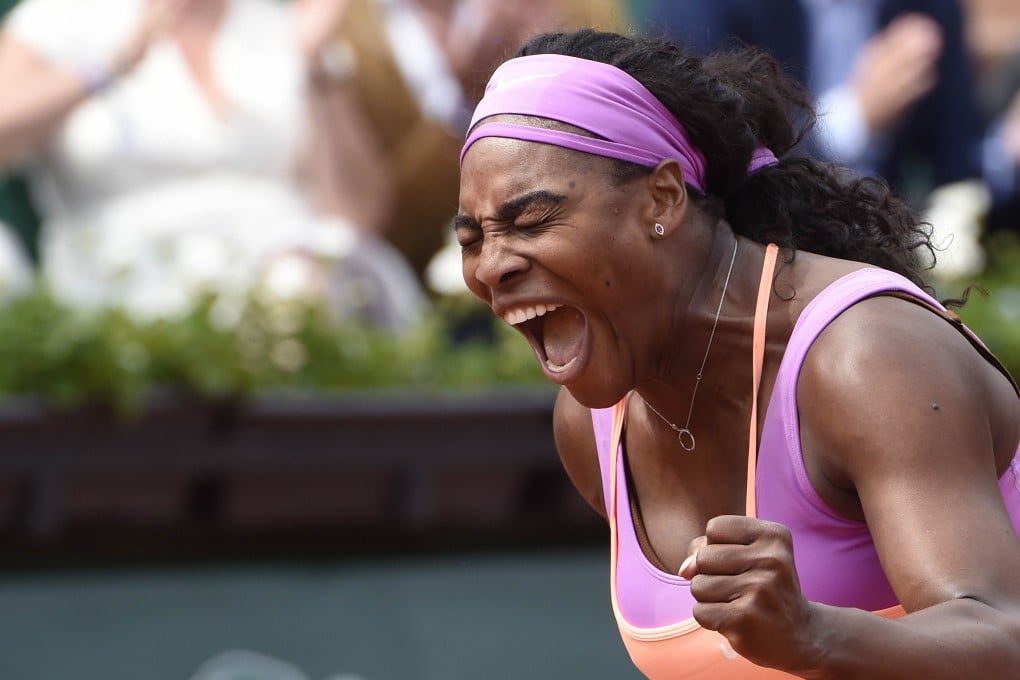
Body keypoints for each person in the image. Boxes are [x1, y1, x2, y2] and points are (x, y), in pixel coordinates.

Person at [456, 29, 1020, 678]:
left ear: (662, 199)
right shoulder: (590, 426)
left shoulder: (867, 357)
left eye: (531, 221)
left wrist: (813, 637)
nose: (492, 266)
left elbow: (1002, 640)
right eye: (473, 237)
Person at [0, 0, 424, 329]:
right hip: (119, 281)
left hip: (282, 270)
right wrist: (109, 67)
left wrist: (317, 66)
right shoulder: (63, 17)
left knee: (293, 286)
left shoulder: (279, 26)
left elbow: (354, 216)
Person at [644, 0, 991, 280]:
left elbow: (958, 162)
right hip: (754, 255)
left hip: (895, 253)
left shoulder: (928, 9)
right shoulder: (701, 8)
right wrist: (856, 116)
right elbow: (709, 149)